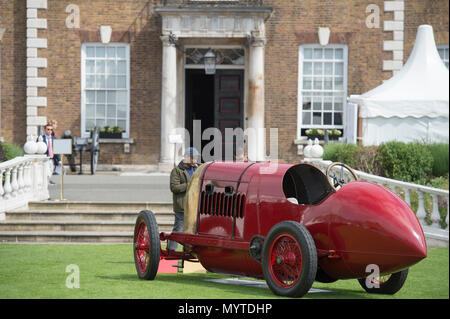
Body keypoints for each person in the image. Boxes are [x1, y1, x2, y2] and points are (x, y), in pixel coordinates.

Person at [167, 147, 199, 251]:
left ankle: (189, 251)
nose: (195, 160)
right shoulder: (176, 171)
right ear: (186, 158)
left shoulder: (197, 169)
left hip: (194, 206)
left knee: (192, 231)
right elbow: (174, 188)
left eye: (196, 157)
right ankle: (171, 251)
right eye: (193, 158)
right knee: (178, 230)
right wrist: (190, 185)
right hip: (182, 206)